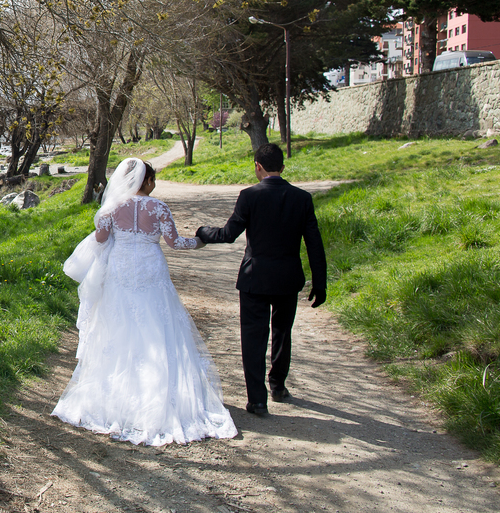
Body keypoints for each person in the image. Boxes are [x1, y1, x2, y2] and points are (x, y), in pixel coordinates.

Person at [52, 157, 237, 445]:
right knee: (157, 323)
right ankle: (163, 393)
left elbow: (100, 240)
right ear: (145, 181)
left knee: (119, 325)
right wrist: (201, 240)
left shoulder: (111, 208)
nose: (155, 183)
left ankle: (116, 399)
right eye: (153, 179)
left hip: (121, 269)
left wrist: (108, 230)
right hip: (151, 268)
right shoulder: (158, 207)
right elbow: (176, 243)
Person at [195, 143, 327, 417]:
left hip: (255, 278)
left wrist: (203, 232)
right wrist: (320, 282)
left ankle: (257, 399)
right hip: (288, 278)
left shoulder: (249, 196)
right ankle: (278, 385)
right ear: (282, 167)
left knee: (253, 337)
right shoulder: (302, 198)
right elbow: (314, 243)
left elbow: (229, 233)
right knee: (282, 332)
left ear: (258, 166)